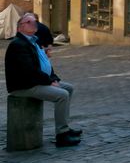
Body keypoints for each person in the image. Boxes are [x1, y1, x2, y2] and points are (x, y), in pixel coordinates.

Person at [5, 12, 81, 147]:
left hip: (36, 82)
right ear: (20, 28)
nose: (33, 23)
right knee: (62, 95)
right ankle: (62, 135)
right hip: (24, 86)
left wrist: (54, 79)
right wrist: (49, 82)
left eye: (34, 21)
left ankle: (65, 127)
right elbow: (28, 71)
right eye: (29, 22)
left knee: (68, 88)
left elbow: (45, 64)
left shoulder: (33, 41)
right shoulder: (18, 44)